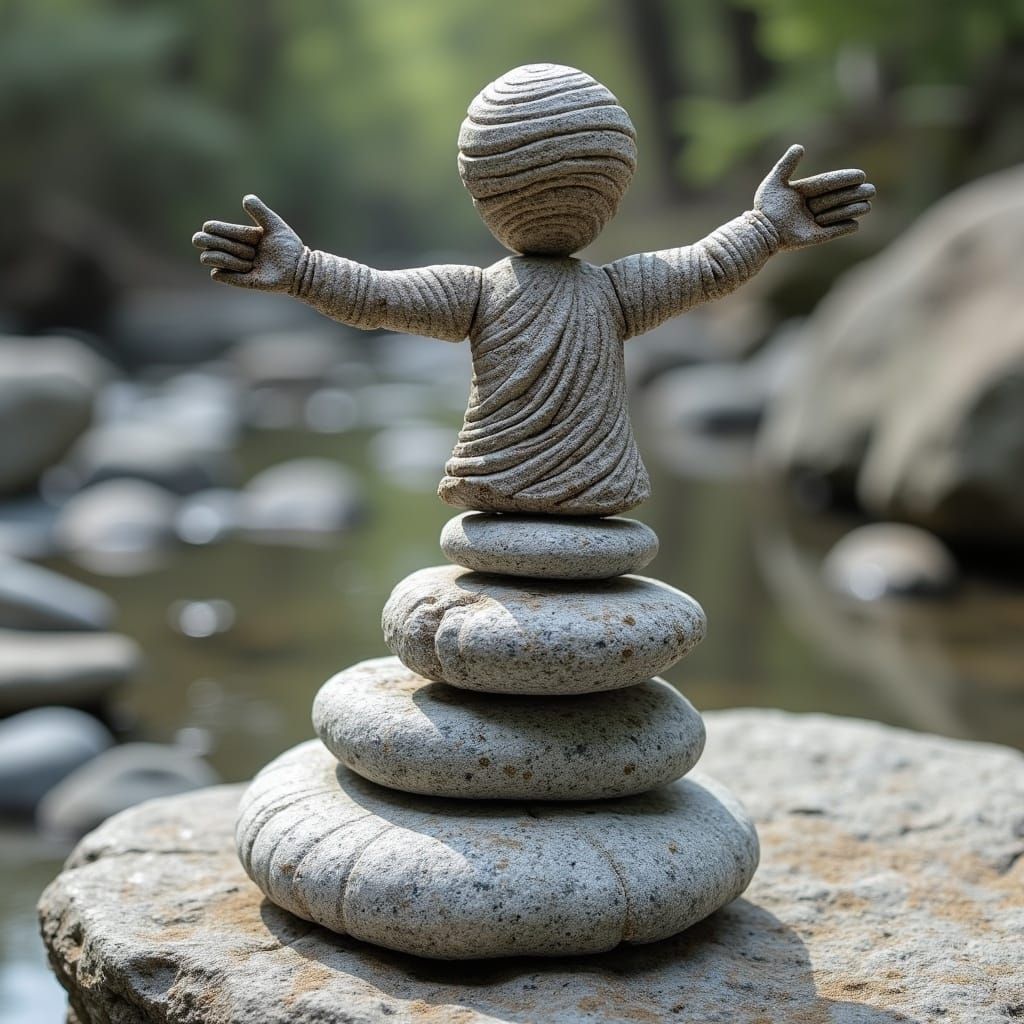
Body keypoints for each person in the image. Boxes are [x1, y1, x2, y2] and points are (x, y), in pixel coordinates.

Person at [193, 64, 873, 516]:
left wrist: (305, 270)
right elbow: (706, 267)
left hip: (510, 496)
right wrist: (764, 228)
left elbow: (375, 299)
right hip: (587, 497)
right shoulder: (616, 290)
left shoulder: (485, 292)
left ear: (480, 191)